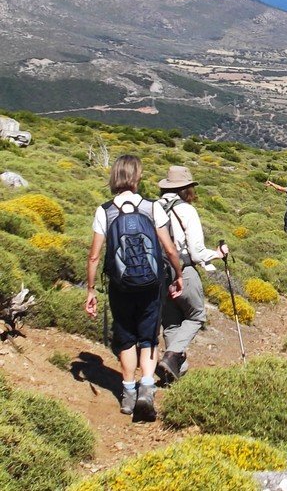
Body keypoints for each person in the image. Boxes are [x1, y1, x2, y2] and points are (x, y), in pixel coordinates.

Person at [85, 155, 183, 422]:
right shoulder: (152, 208)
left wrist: (91, 290)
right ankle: (146, 390)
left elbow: (94, 257)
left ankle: (128, 393)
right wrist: (178, 275)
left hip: (120, 286)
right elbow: (169, 249)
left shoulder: (105, 211)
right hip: (151, 284)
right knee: (149, 336)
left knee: (126, 336)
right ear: (137, 177)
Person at [156, 165, 228, 385]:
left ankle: (175, 369)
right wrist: (216, 254)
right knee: (196, 316)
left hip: (159, 273)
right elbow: (196, 253)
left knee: (170, 324)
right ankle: (171, 356)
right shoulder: (187, 211)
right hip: (183, 271)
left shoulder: (153, 207)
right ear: (185, 188)